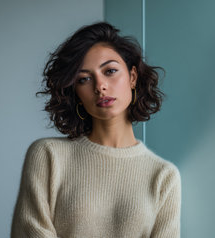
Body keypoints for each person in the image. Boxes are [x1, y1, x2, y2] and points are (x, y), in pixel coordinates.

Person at [11, 22, 181, 238]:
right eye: (84, 79)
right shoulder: (48, 156)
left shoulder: (163, 176)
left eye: (110, 71)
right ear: (76, 93)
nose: (100, 86)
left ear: (132, 77)